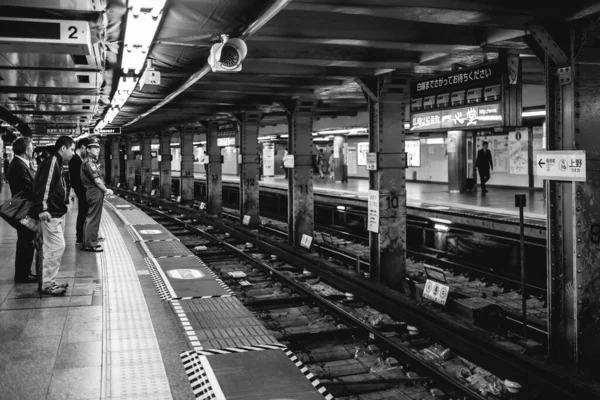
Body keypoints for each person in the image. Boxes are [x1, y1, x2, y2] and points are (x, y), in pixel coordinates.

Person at [30, 135, 75, 295]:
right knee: (56, 247)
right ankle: (47, 283)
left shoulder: (56, 162)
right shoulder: (52, 162)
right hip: (51, 214)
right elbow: (45, 185)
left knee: (51, 248)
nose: (73, 153)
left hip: (57, 212)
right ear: (63, 148)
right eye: (72, 149)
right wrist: (42, 208)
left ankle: (50, 281)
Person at [7, 137, 37, 284]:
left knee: (26, 240)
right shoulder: (19, 166)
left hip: (24, 208)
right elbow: (28, 188)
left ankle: (25, 272)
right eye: (32, 146)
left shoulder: (21, 164)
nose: (33, 149)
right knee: (26, 241)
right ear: (26, 150)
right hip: (24, 209)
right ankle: (22, 275)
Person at [81, 138, 112, 252]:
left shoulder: (89, 162)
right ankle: (90, 244)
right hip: (94, 192)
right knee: (93, 218)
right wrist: (106, 190)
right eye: (94, 147)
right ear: (88, 149)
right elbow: (97, 180)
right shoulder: (89, 163)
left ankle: (90, 240)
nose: (97, 149)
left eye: (98, 147)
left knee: (91, 217)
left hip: (92, 192)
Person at [69, 138, 89, 244]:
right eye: (88, 149)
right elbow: (77, 178)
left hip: (81, 190)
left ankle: (83, 235)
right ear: (82, 147)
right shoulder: (75, 160)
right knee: (83, 213)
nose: (88, 151)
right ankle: (80, 237)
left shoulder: (78, 159)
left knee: (83, 212)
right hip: (81, 190)